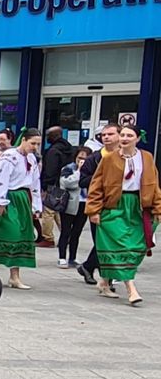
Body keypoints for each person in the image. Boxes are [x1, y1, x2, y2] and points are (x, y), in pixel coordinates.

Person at [85, 123, 161, 306]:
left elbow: (154, 183)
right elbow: (96, 184)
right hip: (115, 206)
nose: (125, 139)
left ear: (137, 138)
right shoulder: (109, 159)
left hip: (137, 206)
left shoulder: (146, 157)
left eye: (129, 135)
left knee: (136, 246)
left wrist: (158, 208)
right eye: (123, 135)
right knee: (119, 246)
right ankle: (131, 288)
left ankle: (104, 282)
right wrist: (93, 210)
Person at [0, 129, 42, 289]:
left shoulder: (31, 159)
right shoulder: (9, 157)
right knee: (7, 233)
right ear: (23, 140)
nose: (35, 147)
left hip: (22, 199)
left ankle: (14, 276)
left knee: (22, 235)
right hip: (8, 198)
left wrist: (37, 206)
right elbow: (0, 179)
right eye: (32, 143)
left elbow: (35, 183)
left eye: (38, 144)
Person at [76, 123, 121, 286]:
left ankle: (88, 267)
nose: (107, 137)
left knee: (115, 240)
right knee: (102, 242)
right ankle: (105, 278)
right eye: (104, 134)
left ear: (119, 136)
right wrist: (101, 177)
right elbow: (82, 181)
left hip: (120, 205)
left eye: (110, 134)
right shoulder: (94, 158)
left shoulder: (127, 157)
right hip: (98, 205)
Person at [56, 146, 91, 268]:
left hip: (84, 203)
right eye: (80, 157)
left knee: (77, 231)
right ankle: (61, 257)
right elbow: (66, 182)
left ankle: (72, 257)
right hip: (69, 203)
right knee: (66, 230)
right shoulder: (68, 168)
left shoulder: (91, 169)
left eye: (85, 158)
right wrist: (79, 172)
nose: (81, 160)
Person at [39, 127, 73, 248]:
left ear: (53, 136)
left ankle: (48, 238)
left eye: (48, 135)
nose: (46, 138)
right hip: (65, 183)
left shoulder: (53, 151)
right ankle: (66, 235)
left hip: (53, 184)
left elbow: (50, 170)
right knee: (57, 209)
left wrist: (45, 185)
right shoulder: (69, 148)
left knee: (48, 211)